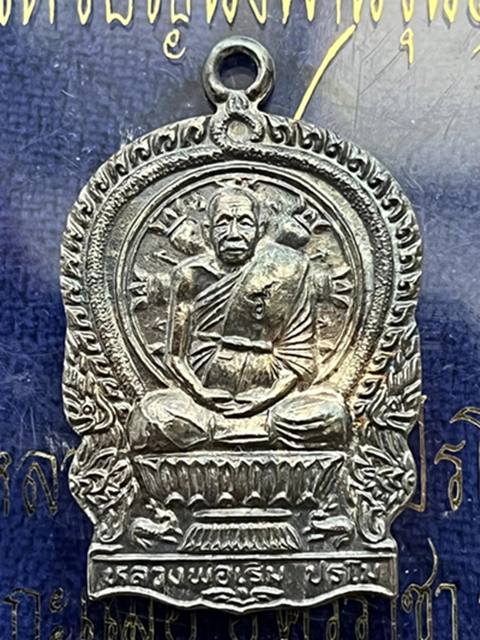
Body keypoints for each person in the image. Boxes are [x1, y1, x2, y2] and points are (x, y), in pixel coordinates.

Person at [128, 183, 351, 452]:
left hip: (272, 399)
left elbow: (299, 357)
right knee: (150, 416)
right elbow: (174, 357)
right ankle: (250, 432)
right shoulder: (189, 275)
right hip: (202, 401)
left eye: (244, 223)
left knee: (333, 415)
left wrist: (266, 399)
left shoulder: (289, 268)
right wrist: (201, 393)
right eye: (223, 223)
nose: (233, 234)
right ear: (208, 231)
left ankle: (224, 432)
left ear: (259, 230)